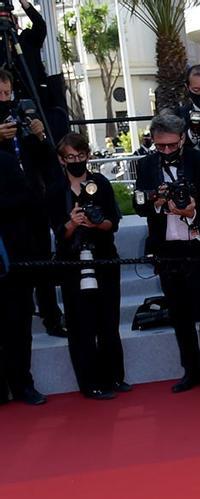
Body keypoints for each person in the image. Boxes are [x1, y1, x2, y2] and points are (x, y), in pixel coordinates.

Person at [134, 112, 200, 394]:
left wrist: (193, 211)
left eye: (171, 145)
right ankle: (191, 371)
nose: (165, 151)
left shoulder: (199, 160)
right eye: (160, 146)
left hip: (198, 247)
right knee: (179, 314)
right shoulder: (146, 165)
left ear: (183, 138)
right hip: (167, 249)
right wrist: (157, 202)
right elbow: (139, 206)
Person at [48, 132, 128, 399]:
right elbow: (58, 234)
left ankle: (115, 378)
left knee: (108, 322)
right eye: (70, 157)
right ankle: (90, 384)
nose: (76, 161)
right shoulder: (55, 189)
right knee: (81, 325)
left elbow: (112, 223)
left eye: (80, 156)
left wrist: (95, 223)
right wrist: (72, 223)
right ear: (61, 160)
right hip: (72, 264)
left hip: (104, 259)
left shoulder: (101, 183)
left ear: (88, 156)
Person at [0, 67, 66, 338]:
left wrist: (39, 135)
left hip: (33, 205)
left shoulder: (19, 116)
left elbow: (45, 161)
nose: (5, 98)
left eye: (7, 92)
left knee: (43, 265)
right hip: (5, 213)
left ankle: (52, 317)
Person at [0, 147, 46, 406]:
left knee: (18, 327)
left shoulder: (5, 162)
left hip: (13, 260)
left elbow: (26, 200)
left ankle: (23, 385)